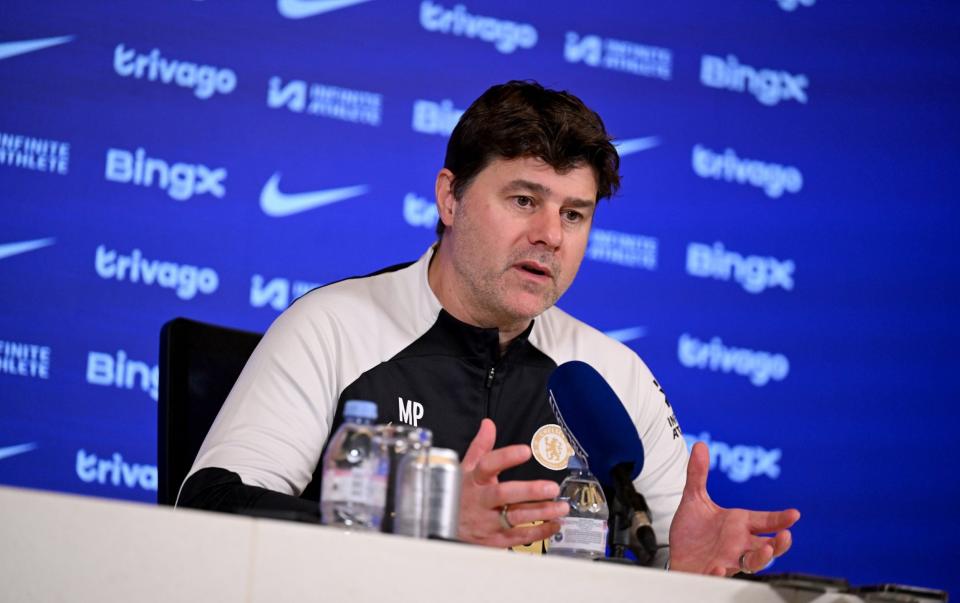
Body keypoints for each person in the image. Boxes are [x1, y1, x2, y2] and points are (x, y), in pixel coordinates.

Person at [180, 80, 798, 575]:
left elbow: (662, 550)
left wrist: (684, 568)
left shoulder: (608, 374)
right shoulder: (335, 327)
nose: (550, 235)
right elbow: (208, 504)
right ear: (450, 199)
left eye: (574, 214)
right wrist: (423, 525)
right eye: (524, 200)